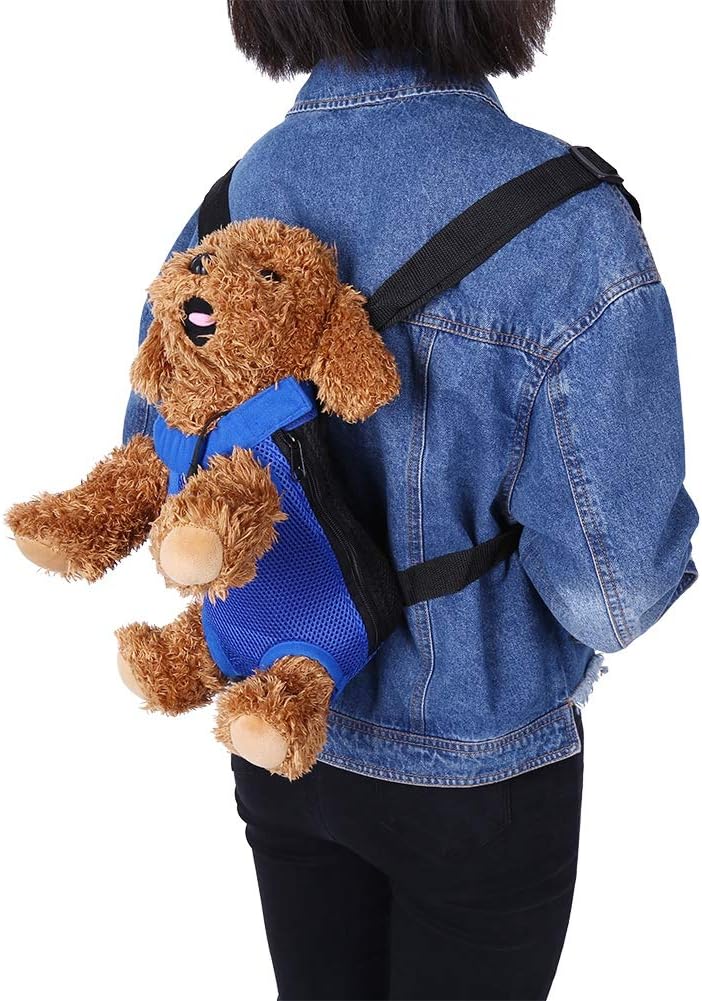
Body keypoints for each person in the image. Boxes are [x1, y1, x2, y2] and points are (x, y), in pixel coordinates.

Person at [123, 2, 698, 998]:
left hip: (283, 740)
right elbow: (615, 596)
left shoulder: (224, 211)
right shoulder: (572, 230)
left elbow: (157, 470)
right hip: (479, 770)